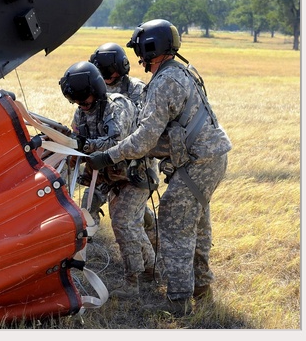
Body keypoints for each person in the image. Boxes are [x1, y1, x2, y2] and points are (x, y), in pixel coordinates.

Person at [88, 20, 232, 316]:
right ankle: (202, 287)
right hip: (211, 158)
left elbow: (143, 140)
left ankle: (179, 302)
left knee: (175, 222)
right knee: (197, 222)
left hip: (198, 162)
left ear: (150, 48)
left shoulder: (164, 82)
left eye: (140, 48)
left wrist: (109, 156)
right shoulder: (181, 71)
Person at [59, 61, 156, 300]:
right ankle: (152, 267)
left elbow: (116, 143)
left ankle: (132, 282)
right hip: (105, 177)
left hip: (134, 175)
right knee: (90, 216)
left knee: (123, 222)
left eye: (85, 100)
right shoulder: (82, 111)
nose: (82, 106)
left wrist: (83, 146)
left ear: (97, 90)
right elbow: (79, 140)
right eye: (77, 103)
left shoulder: (118, 106)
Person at [89, 43, 161, 258]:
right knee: (89, 204)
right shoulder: (97, 90)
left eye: (108, 72)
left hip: (133, 165)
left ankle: (153, 255)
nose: (106, 77)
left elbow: (143, 130)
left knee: (131, 216)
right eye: (101, 73)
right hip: (104, 163)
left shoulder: (138, 90)